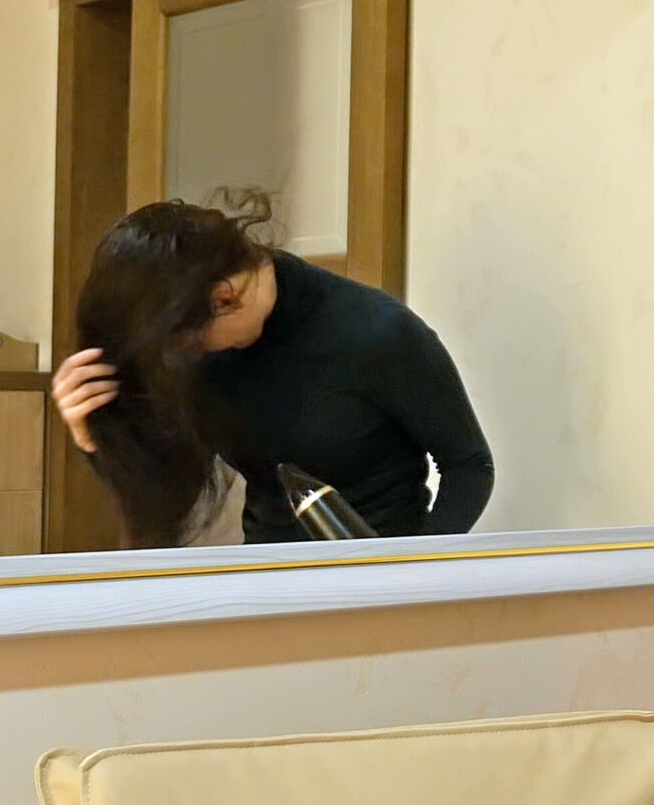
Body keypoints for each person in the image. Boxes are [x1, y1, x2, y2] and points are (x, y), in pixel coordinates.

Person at [51, 198, 493, 546]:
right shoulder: (202, 344)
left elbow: (469, 464)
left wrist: (417, 566)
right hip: (266, 572)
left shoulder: (375, 331)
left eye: (190, 340)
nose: (189, 354)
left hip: (379, 576)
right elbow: (168, 500)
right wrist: (97, 438)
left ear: (224, 298)